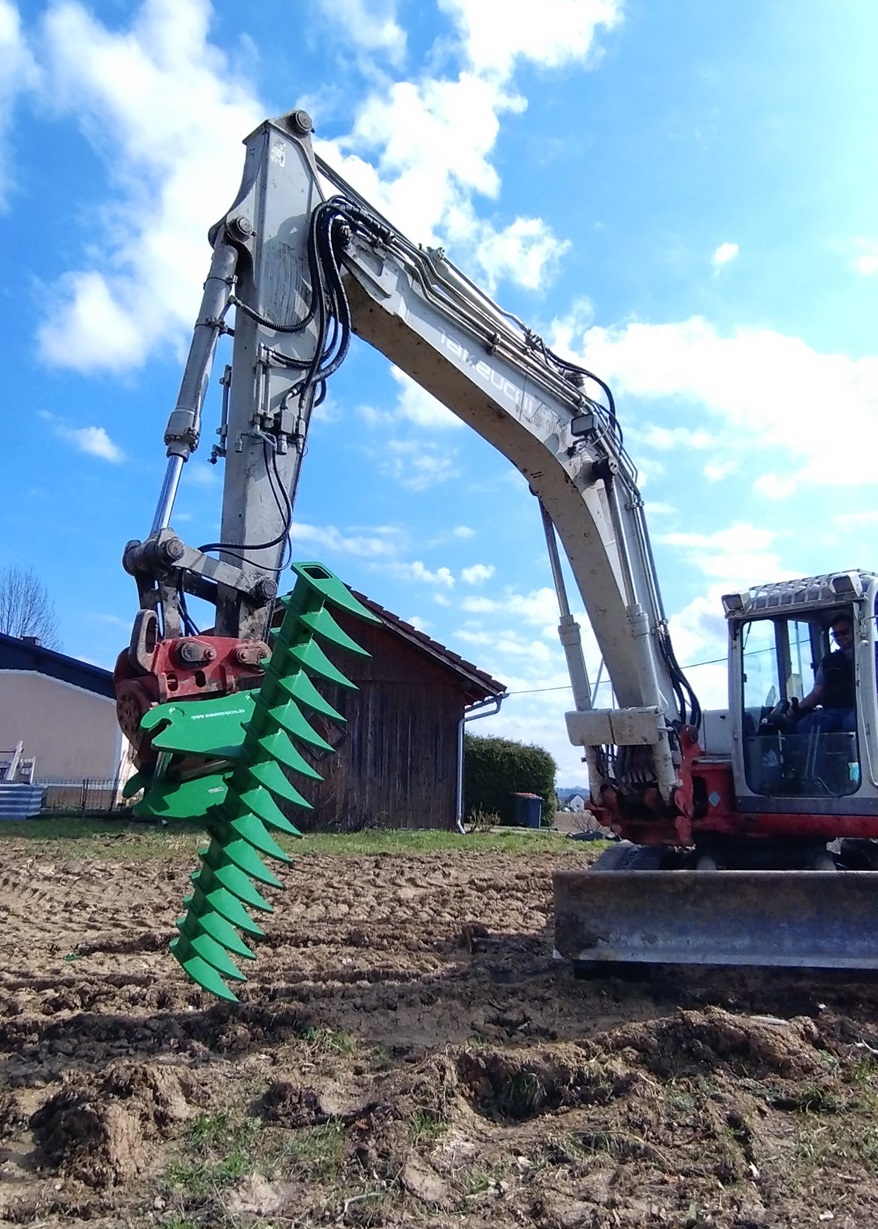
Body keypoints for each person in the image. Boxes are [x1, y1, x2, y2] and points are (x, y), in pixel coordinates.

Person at [794, 614, 856, 734]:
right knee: (805, 725)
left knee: (852, 723)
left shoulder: (873, 653)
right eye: (836, 634)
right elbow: (816, 693)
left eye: (844, 632)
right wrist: (797, 707)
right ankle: (814, 753)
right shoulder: (828, 661)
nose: (840, 637)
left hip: (862, 709)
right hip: (831, 711)